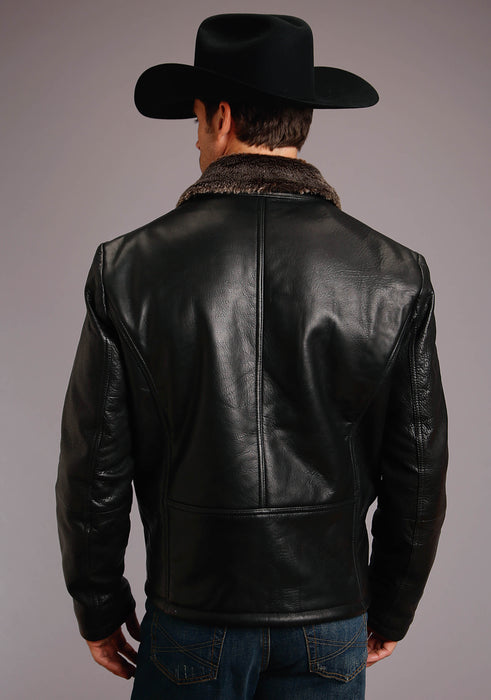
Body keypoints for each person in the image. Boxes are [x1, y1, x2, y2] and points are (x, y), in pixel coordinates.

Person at [55, 13, 448, 699]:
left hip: (193, 613)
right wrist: (391, 607)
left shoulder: (128, 267)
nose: (195, 139)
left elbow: (95, 465)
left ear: (223, 117)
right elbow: (418, 470)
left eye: (195, 120)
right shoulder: (394, 273)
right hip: (329, 618)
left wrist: (98, 603)